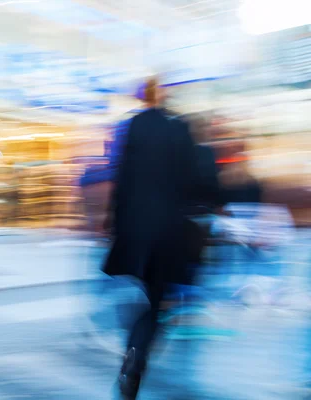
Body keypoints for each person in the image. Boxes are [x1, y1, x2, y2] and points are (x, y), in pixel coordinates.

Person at [103, 77, 200, 399]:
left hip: (135, 230)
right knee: (157, 304)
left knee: (142, 294)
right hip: (169, 233)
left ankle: (133, 348)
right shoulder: (181, 128)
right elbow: (192, 184)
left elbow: (122, 176)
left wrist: (115, 225)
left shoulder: (133, 126)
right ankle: (136, 354)